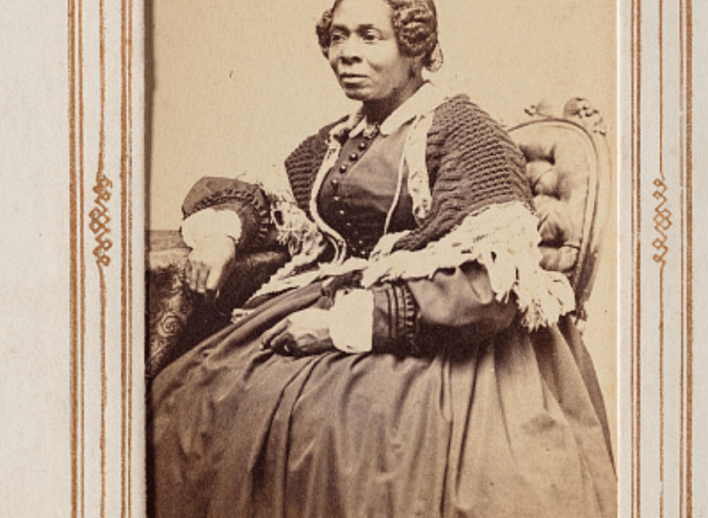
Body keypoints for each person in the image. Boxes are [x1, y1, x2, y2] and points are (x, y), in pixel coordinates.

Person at [150, 0, 617, 516]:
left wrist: (341, 325)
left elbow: (489, 288)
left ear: (414, 49)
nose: (347, 53)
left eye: (369, 37)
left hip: (449, 338)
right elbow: (269, 199)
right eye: (338, 37)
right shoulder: (343, 138)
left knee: (345, 433)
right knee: (195, 390)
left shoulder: (465, 132)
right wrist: (224, 235)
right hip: (344, 302)